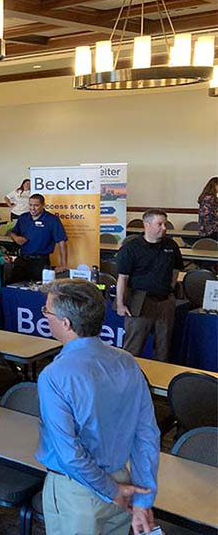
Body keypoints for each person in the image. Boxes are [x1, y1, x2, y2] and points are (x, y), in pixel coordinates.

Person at [36, 278, 159, 535]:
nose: (44, 316)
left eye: (46, 311)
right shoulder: (127, 362)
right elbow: (146, 434)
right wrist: (143, 500)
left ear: (66, 323)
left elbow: (70, 453)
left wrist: (111, 491)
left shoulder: (54, 375)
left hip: (77, 492)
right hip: (124, 484)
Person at [115, 209, 183, 361]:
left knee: (163, 347)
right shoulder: (131, 248)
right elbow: (122, 278)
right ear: (146, 225)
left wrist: (171, 288)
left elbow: (176, 269)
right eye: (159, 224)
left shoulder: (171, 246)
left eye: (165, 224)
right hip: (139, 301)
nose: (164, 228)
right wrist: (120, 304)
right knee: (133, 347)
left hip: (165, 301)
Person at [8, 194, 68, 281]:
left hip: (40, 261)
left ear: (43, 205)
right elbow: (12, 232)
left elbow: (62, 241)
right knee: (13, 286)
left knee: (38, 289)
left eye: (36, 205)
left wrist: (63, 264)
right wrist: (16, 238)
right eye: (30, 205)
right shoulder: (23, 217)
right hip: (22, 259)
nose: (32, 208)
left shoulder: (52, 220)